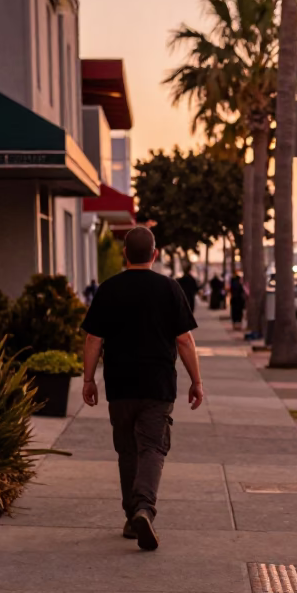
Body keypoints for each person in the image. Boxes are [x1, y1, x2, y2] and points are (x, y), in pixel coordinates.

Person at [81, 227, 205, 551]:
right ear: (155, 253)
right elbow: (184, 340)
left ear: (125, 253)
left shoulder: (108, 290)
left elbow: (94, 338)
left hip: (120, 385)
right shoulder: (169, 288)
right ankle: (143, 509)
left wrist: (88, 379)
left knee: (127, 451)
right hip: (157, 385)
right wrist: (197, 381)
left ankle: (131, 517)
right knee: (152, 448)